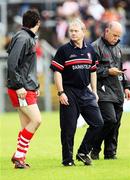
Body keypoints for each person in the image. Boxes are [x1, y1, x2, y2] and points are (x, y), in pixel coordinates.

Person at [50, 18, 104, 166]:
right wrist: (61, 92)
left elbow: (93, 71)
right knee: (68, 128)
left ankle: (82, 152)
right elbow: (57, 72)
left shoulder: (90, 50)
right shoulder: (63, 50)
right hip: (69, 91)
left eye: (76, 31)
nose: (73, 33)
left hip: (85, 92)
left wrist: (94, 91)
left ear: (83, 32)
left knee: (98, 123)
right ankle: (67, 160)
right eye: (71, 31)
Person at [90, 21, 130, 160]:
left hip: (118, 90)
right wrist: (108, 71)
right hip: (103, 90)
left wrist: (126, 87)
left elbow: (122, 70)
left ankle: (110, 152)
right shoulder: (95, 47)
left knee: (116, 123)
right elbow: (91, 70)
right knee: (110, 120)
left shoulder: (118, 48)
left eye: (118, 36)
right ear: (106, 31)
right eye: (114, 35)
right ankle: (95, 148)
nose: (116, 38)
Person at [7, 9, 41, 169]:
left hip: (27, 87)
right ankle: (19, 156)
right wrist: (19, 85)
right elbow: (12, 64)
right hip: (21, 88)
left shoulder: (26, 37)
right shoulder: (23, 38)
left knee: (26, 124)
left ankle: (19, 158)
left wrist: (36, 86)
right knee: (36, 120)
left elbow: (27, 67)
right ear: (38, 23)